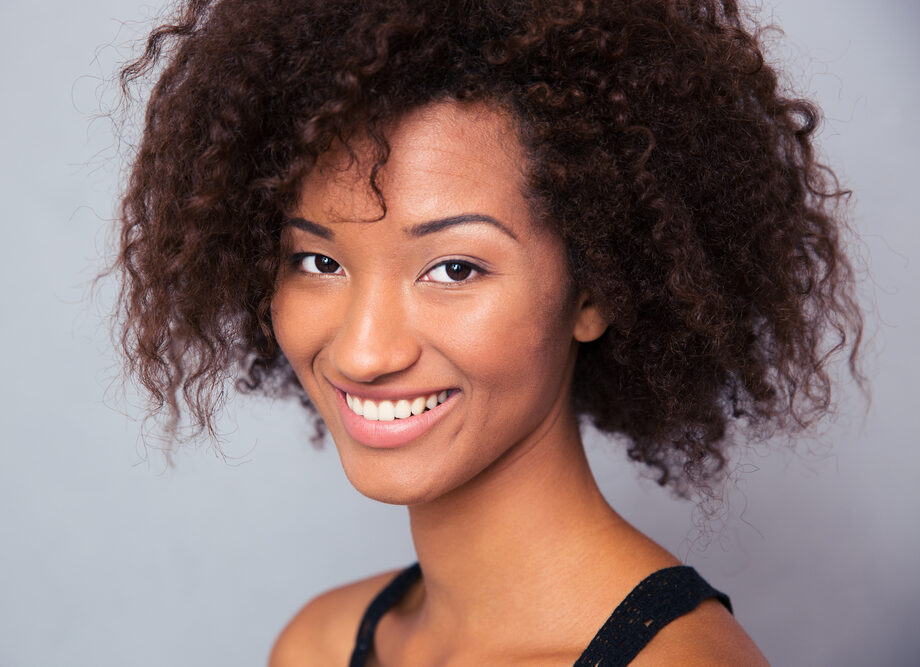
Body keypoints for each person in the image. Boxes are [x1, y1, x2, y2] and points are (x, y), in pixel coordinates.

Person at [112, 0, 862, 664]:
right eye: (317, 260)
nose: (363, 351)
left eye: (455, 269)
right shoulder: (319, 645)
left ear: (595, 288)